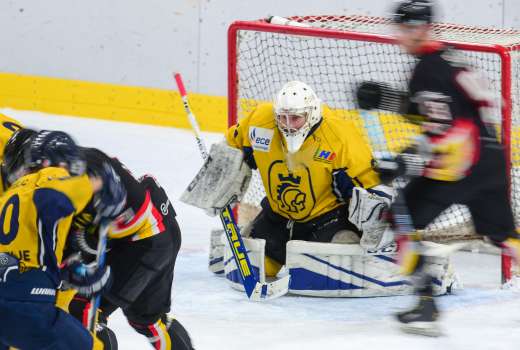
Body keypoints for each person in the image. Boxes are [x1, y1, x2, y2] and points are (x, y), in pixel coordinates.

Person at [356, 0, 520, 336]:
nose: (404, 34)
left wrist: (404, 161)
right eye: (401, 27)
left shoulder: (427, 70)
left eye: (410, 27)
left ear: (426, 28)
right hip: (491, 158)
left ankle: (426, 306)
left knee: (401, 217)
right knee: (503, 235)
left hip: (460, 164)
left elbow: (449, 134)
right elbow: (437, 113)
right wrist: (387, 99)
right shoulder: (448, 56)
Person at [224, 80, 392, 276]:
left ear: (311, 114)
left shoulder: (340, 135)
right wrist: (220, 172)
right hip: (277, 216)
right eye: (282, 118)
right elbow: (231, 145)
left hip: (327, 220)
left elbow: (370, 185)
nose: (288, 126)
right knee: (253, 270)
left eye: (295, 118)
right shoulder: (261, 121)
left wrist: (375, 212)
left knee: (317, 276)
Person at [0, 129, 125, 349]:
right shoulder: (50, 178)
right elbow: (53, 197)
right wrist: (101, 184)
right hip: (30, 308)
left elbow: (25, 252)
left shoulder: (8, 195)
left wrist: (72, 274)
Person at [65, 147, 194, 350]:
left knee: (84, 306)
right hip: (161, 229)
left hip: (146, 241)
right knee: (147, 319)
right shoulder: (83, 162)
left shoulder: (64, 178)